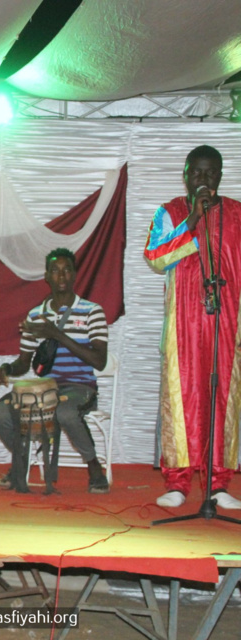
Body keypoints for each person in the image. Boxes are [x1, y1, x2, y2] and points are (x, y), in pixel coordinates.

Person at [144, 145, 241, 509]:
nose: (203, 178)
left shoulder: (236, 214)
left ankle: (217, 484)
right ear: (185, 174)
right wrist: (193, 221)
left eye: (210, 172)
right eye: (196, 172)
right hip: (183, 323)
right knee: (183, 400)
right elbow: (155, 257)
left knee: (222, 399)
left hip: (227, 321)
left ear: (219, 175)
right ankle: (179, 482)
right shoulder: (169, 212)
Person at [0, 248, 110, 494]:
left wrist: (57, 334)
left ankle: (94, 467)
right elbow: (24, 363)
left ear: (75, 274)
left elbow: (99, 361)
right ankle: (21, 461)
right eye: (55, 271)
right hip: (46, 389)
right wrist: (6, 368)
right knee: (0, 414)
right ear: (47, 276)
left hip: (80, 387)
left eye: (67, 270)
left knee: (65, 412)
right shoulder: (36, 315)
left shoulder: (91, 311)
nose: (61, 276)